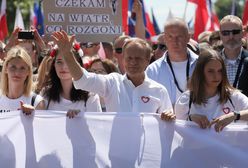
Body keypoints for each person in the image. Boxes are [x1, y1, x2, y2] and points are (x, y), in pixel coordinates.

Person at [52, 31, 174, 119]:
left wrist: (170, 117)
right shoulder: (112, 82)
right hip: (116, 155)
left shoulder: (159, 91)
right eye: (129, 58)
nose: (132, 62)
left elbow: (168, 125)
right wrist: (67, 53)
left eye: (138, 58)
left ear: (148, 60)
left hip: (148, 155)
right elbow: (83, 79)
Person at [175, 48, 248, 129]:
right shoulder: (186, 99)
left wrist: (234, 115)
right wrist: (190, 118)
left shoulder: (233, 96)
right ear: (200, 72)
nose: (216, 76)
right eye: (210, 71)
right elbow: (176, 129)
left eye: (220, 71)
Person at [146, 18, 198, 106]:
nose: (175, 41)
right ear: (165, 38)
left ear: (188, 38)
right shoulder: (152, 70)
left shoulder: (202, 65)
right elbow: (148, 103)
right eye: (170, 36)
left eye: (179, 36)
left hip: (196, 119)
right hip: (164, 120)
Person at [41, 44, 102, 118]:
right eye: (59, 62)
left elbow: (97, 125)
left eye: (69, 62)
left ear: (78, 64)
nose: (64, 67)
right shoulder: (46, 93)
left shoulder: (90, 95)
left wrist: (81, 118)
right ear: (54, 65)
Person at [0, 46, 45, 114]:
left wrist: (33, 115)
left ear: (28, 72)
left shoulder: (36, 102)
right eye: (13, 67)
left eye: (22, 68)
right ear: (6, 69)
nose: (17, 73)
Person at [219, 15, 248, 97]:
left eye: (235, 32)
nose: (231, 37)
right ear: (220, 35)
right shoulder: (211, 62)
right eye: (226, 33)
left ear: (243, 33)